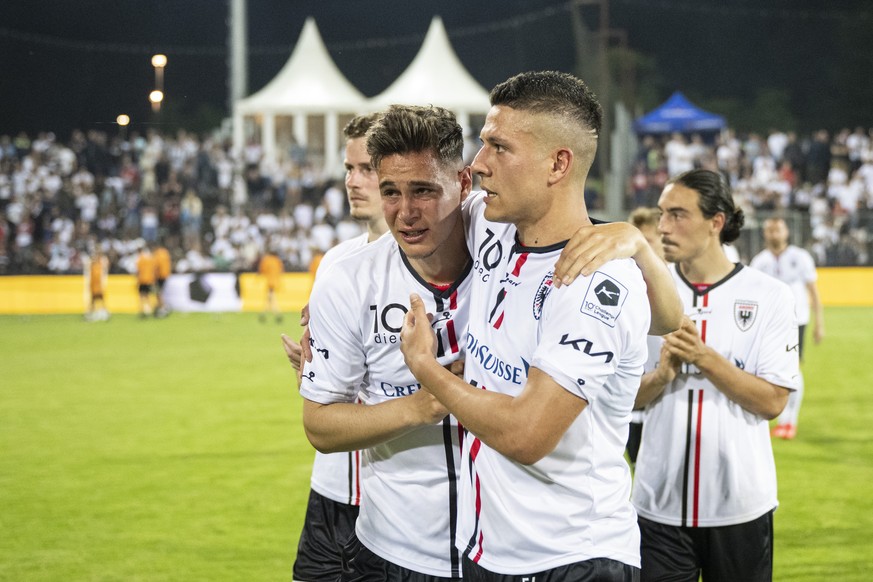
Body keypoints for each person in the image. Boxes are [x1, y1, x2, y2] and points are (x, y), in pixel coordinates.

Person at [400, 71, 681, 580]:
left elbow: (527, 434)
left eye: (499, 148)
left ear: (558, 164)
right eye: (483, 143)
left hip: (570, 558)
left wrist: (428, 369)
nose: (478, 164)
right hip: (490, 546)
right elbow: (407, 216)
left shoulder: (594, 284)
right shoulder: (493, 223)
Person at [298, 104, 473, 580]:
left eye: (423, 191)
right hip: (394, 550)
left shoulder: (505, 254)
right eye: (391, 191)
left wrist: (628, 238)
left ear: (465, 184)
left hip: (501, 551)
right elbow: (320, 425)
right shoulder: (345, 278)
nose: (406, 212)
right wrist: (425, 404)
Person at [632, 169, 800, 582]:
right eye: (661, 215)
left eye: (678, 214)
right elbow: (622, 398)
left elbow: (773, 401)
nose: (664, 227)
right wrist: (662, 374)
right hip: (657, 505)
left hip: (740, 505)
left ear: (716, 222)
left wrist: (706, 358)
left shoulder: (770, 295)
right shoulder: (641, 291)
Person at [281, 112, 389, 582]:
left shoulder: (438, 263)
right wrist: (314, 369)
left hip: (391, 500)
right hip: (328, 491)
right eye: (349, 169)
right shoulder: (336, 261)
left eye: (367, 168)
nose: (352, 181)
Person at [750, 216, 824, 439]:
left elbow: (814, 291)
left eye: (778, 229)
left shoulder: (800, 257)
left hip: (796, 320)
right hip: (768, 323)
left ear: (786, 233)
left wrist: (819, 323)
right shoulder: (759, 262)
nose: (775, 234)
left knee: (793, 368)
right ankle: (777, 416)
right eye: (770, 230)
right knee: (768, 369)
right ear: (765, 234)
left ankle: (789, 420)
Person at [626, 207, 666, 465]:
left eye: (648, 241)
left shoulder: (677, 287)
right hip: (631, 400)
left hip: (667, 401)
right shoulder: (626, 281)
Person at [258, 242, 284, 323]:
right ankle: (267, 313)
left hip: (270, 281)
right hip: (276, 281)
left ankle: (276, 313)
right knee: (270, 297)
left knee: (271, 297)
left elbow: (262, 269)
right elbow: (281, 270)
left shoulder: (267, 260)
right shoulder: (277, 260)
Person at [83, 246, 110, 321]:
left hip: (99, 283)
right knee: (94, 298)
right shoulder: (92, 263)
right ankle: (93, 313)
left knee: (99, 297)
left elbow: (104, 271)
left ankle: (101, 312)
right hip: (94, 283)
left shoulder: (102, 262)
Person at [136, 243, 158, 318]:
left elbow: (138, 270)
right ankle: (149, 309)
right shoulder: (149, 257)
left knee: (142, 295)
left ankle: (143, 310)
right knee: (148, 295)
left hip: (142, 279)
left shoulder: (140, 258)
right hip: (149, 279)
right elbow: (154, 268)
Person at [153, 241, 172, 317]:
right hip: (165, 275)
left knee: (158, 293)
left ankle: (163, 308)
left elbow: (156, 266)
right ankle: (161, 307)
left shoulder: (157, 254)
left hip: (159, 276)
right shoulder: (166, 253)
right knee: (160, 292)